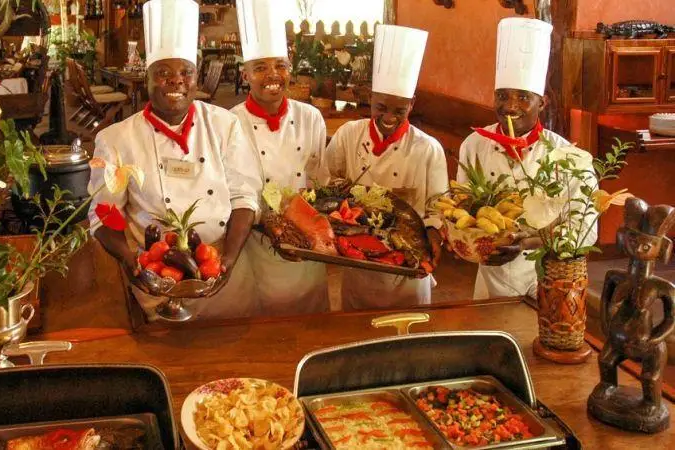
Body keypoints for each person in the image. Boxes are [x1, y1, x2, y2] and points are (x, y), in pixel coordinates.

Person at [87, 0, 263, 320]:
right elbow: (105, 213)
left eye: (186, 72)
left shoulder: (226, 126)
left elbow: (244, 196)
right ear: (147, 78)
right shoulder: (115, 140)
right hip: (156, 284)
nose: (176, 80)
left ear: (195, 77)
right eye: (163, 72)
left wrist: (231, 258)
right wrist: (130, 259)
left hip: (224, 278)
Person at [458, 17, 597, 299]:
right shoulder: (473, 146)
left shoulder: (568, 158)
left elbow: (586, 231)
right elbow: (464, 211)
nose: (510, 106)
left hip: (546, 279)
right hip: (488, 280)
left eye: (523, 97)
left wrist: (528, 243)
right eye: (502, 96)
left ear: (542, 103)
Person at [325, 25, 447, 309]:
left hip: (408, 263)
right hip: (357, 261)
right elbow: (327, 179)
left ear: (412, 105)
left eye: (399, 110)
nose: (388, 117)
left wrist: (434, 234)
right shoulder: (348, 135)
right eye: (381, 107)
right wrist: (338, 193)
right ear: (370, 98)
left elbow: (438, 207)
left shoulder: (428, 149)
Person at [230, 0, 329, 316]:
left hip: (309, 247)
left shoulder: (311, 117)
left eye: (280, 65)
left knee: (313, 326)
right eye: (260, 68)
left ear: (290, 68)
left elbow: (320, 179)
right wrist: (271, 222)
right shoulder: (229, 123)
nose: (272, 75)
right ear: (245, 75)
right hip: (258, 248)